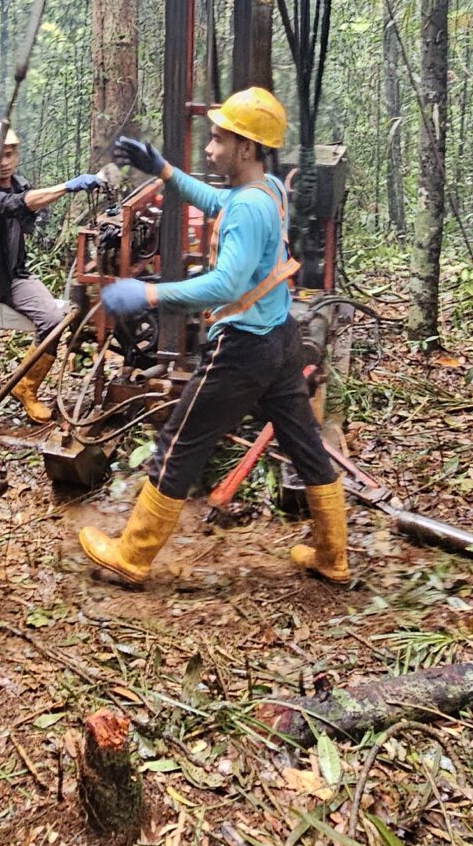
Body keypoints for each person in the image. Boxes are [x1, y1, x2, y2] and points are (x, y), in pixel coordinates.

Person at [78, 87, 350, 587]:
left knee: (179, 442)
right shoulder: (268, 189)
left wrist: (149, 293)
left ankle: (132, 556)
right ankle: (333, 554)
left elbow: (225, 284)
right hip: (281, 339)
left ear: (246, 148)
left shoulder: (249, 207)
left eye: (219, 139)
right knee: (305, 443)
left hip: (242, 348)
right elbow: (217, 200)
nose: (208, 148)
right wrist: (164, 170)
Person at [0, 123, 102, 432]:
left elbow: (29, 213)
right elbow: (15, 205)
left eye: (9, 155)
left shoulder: (22, 185)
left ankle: (26, 388)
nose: (4, 162)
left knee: (54, 320)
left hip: (16, 277)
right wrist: (68, 186)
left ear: (17, 155)